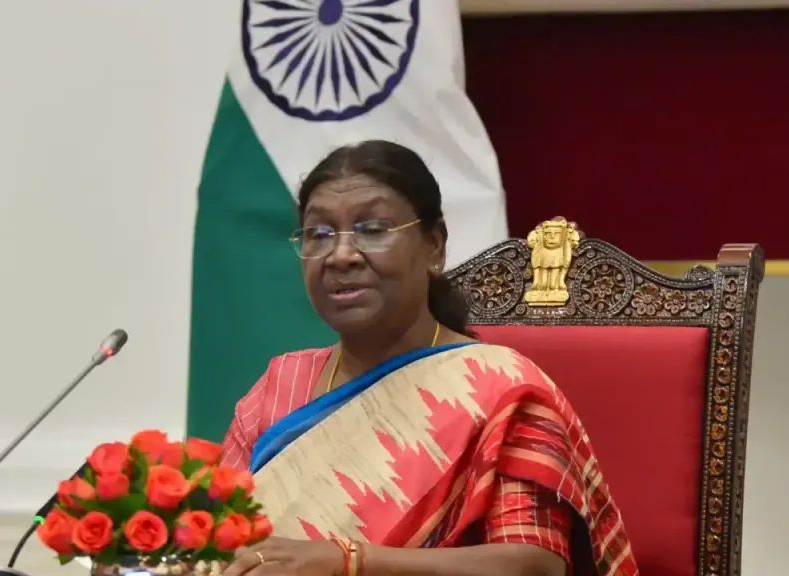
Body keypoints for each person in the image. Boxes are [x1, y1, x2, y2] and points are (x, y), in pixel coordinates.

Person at [219, 140, 638, 576]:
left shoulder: (499, 390)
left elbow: (533, 566)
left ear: (434, 247)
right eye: (319, 234)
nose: (341, 256)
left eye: (373, 230)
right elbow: (209, 538)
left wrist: (349, 561)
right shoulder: (281, 386)